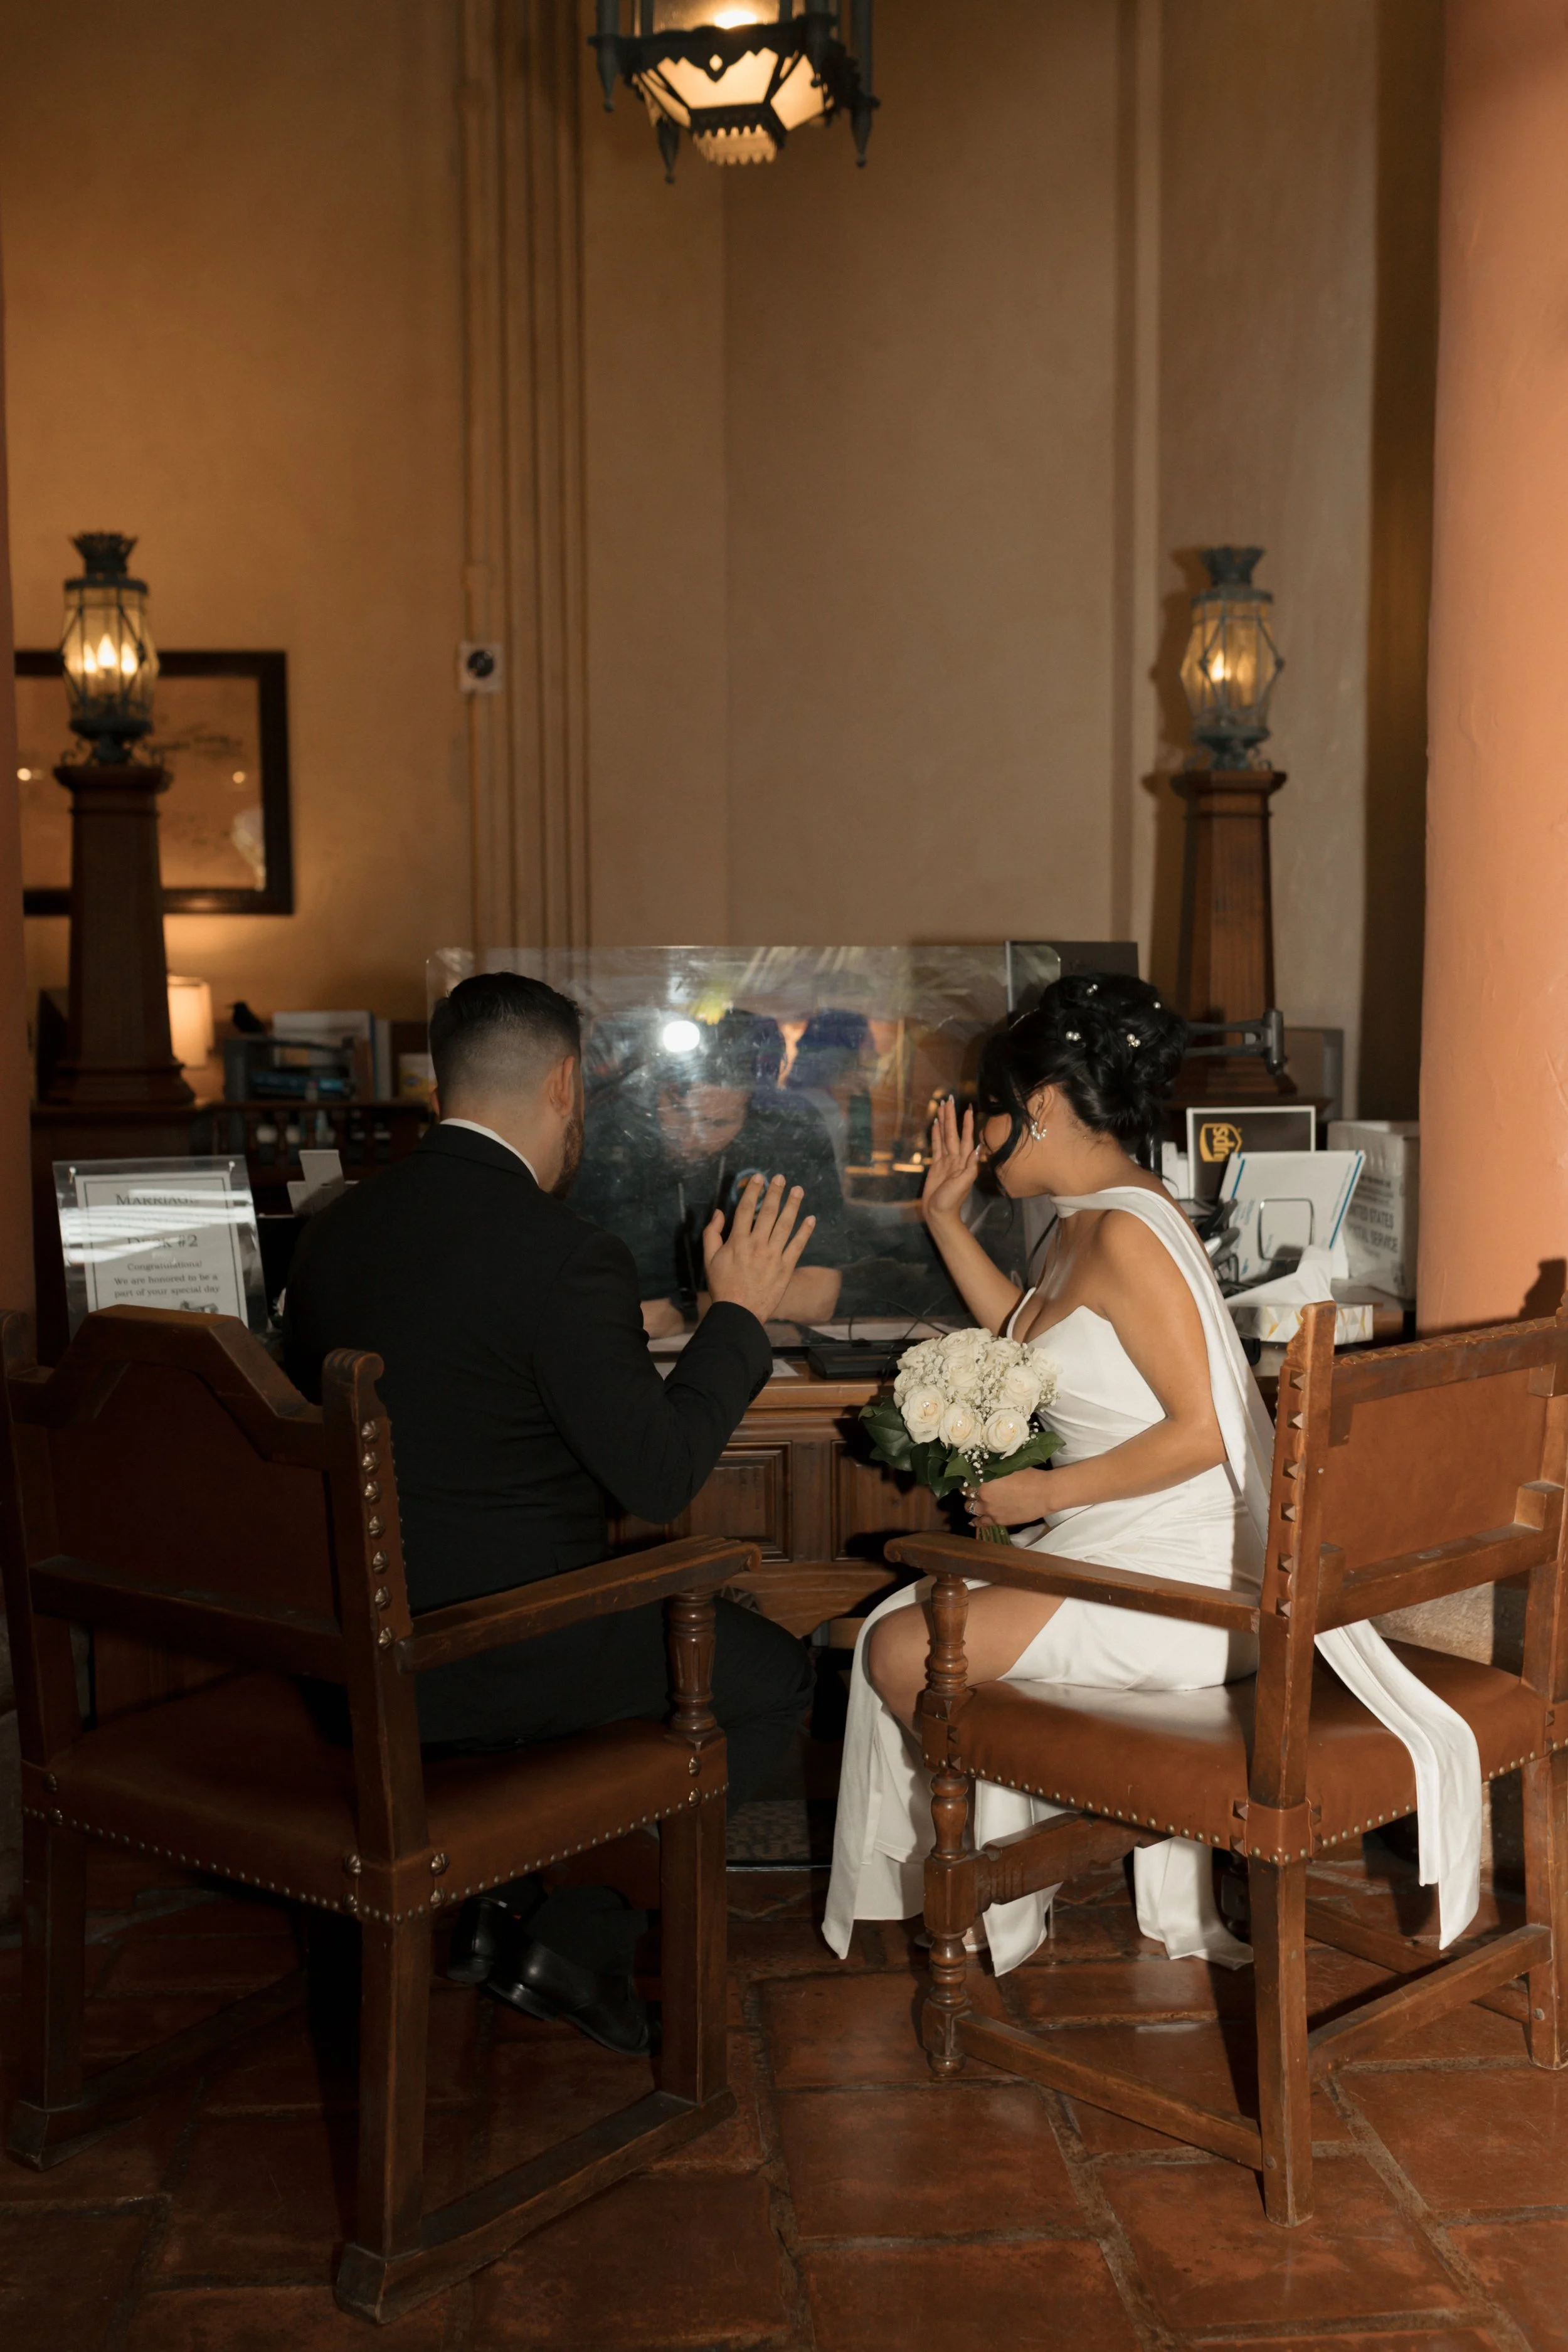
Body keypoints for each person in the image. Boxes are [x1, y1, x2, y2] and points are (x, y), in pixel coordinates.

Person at [823, 970, 1482, 1972]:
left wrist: (1042, 1494)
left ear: (1039, 1104)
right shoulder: (1091, 1212)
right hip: (1124, 1540)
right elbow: (1031, 1332)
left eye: (989, 1116)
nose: (977, 1140)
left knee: (901, 1651)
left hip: (1191, 1577)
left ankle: (998, 1880)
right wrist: (947, 1220)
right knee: (910, 1633)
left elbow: (1207, 1435)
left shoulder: (1131, 1230)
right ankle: (1011, 1867)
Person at [283, 971, 817, 2054]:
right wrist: (740, 1315)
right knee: (771, 1678)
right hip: (496, 1655)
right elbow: (659, 1477)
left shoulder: (337, 1230)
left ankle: (508, 1906)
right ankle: (581, 1927)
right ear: (571, 1084)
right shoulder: (565, 1253)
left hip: (351, 1658)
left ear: (441, 1083)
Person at [572, 1009, 854, 1338]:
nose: (690, 1137)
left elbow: (817, 1296)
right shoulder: (609, 1135)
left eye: (717, 1123)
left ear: (754, 1112)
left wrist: (683, 1313)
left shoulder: (789, 1139)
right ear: (654, 1091)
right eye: (676, 1111)